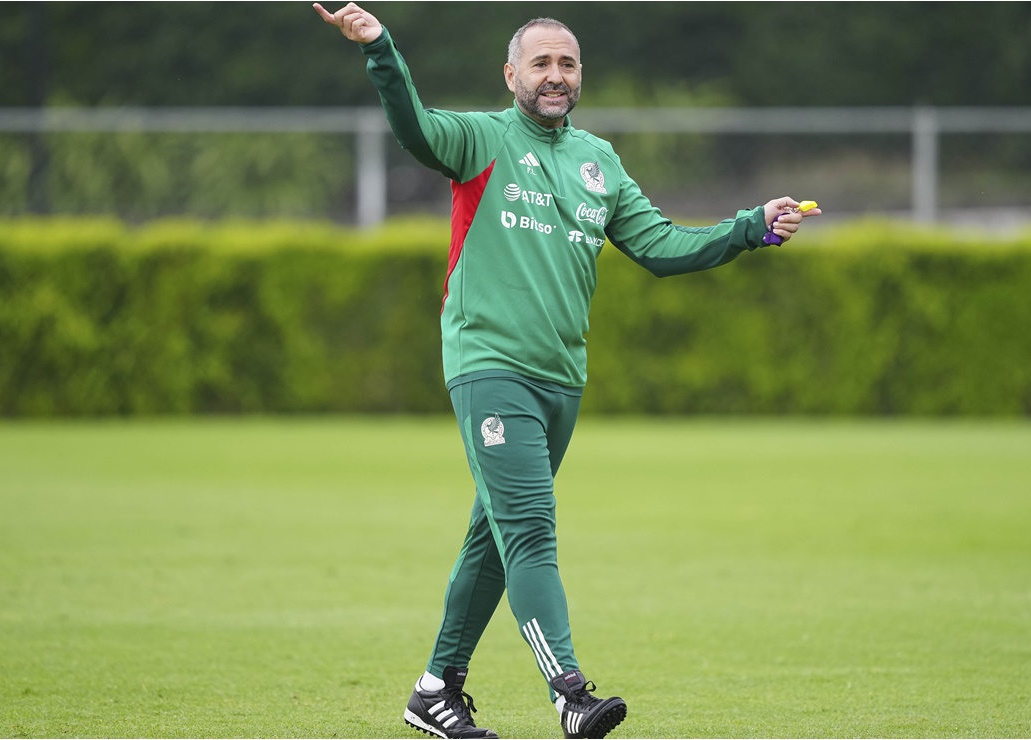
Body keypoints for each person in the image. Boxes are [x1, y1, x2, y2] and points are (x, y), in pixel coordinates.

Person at [314, 4, 820, 739]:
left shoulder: (598, 161)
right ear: (511, 74)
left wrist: (749, 227)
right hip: (489, 368)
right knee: (531, 532)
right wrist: (380, 49)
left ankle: (434, 691)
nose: (556, 75)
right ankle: (569, 693)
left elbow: (661, 246)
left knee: (494, 536)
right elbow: (413, 126)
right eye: (541, 63)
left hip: (560, 383)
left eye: (568, 63)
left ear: (580, 75)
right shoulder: (480, 138)